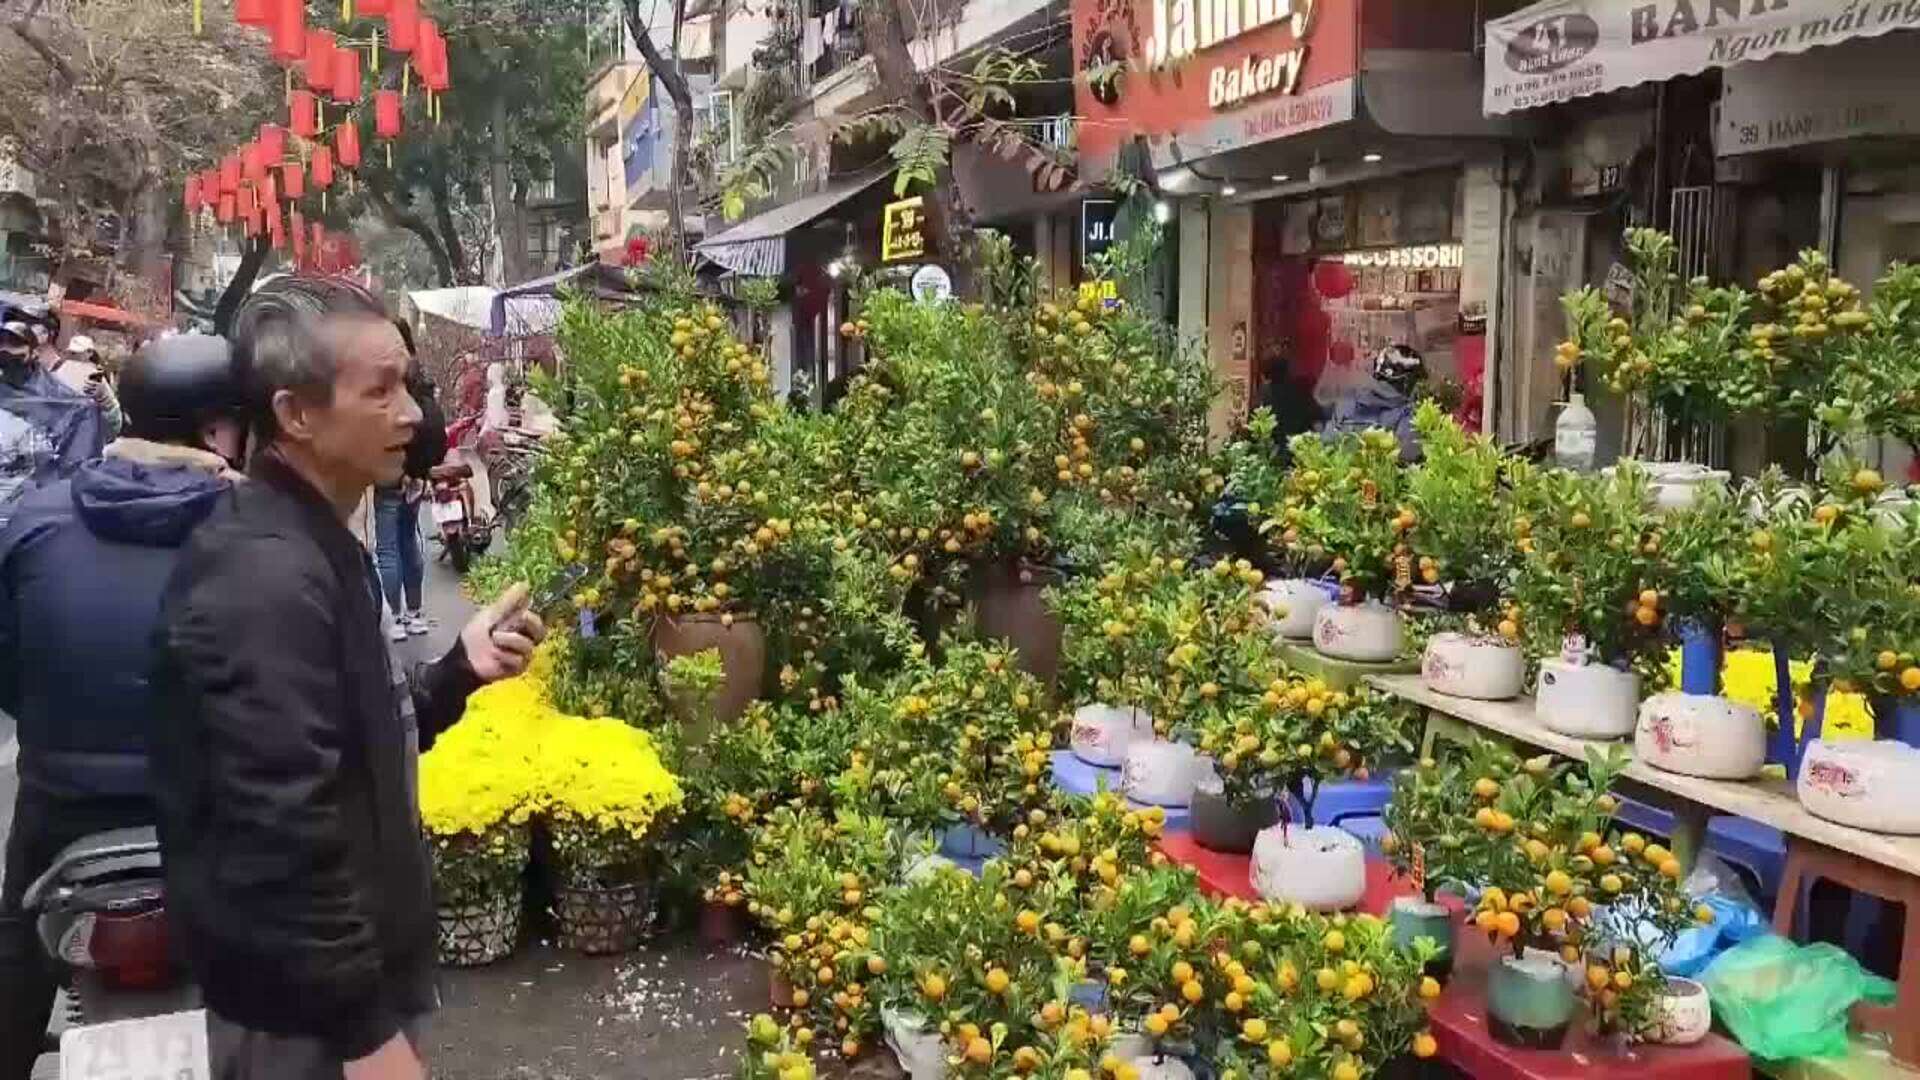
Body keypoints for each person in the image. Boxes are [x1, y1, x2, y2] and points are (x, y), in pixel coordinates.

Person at [150, 276, 544, 1080]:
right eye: (381, 390)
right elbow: (281, 827)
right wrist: (367, 1038)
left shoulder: (319, 541)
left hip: (339, 993)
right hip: (300, 1019)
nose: (411, 415)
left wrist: (459, 673)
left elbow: (351, 741)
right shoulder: (261, 577)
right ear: (296, 415)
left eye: (407, 384)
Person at [0, 334, 246, 1080]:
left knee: (15, 945)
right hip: (219, 816)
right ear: (216, 429)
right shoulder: (271, 531)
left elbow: (9, 670)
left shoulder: (33, 523)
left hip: (65, 812)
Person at [375, 320, 446, 640]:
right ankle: (415, 614)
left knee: (388, 548)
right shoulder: (420, 374)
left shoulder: (390, 375)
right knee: (409, 540)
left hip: (392, 474)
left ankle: (398, 618)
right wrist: (418, 473)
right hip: (417, 475)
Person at [1322, 342, 1427, 462]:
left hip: (1338, 475)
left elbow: (1326, 442)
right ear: (1406, 382)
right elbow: (1410, 456)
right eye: (1416, 382)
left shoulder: (1348, 400)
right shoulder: (1407, 414)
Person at [48, 333, 124, 436]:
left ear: (90, 353)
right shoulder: (58, 369)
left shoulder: (96, 375)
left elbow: (113, 415)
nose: (73, 356)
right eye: (71, 353)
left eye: (76, 353)